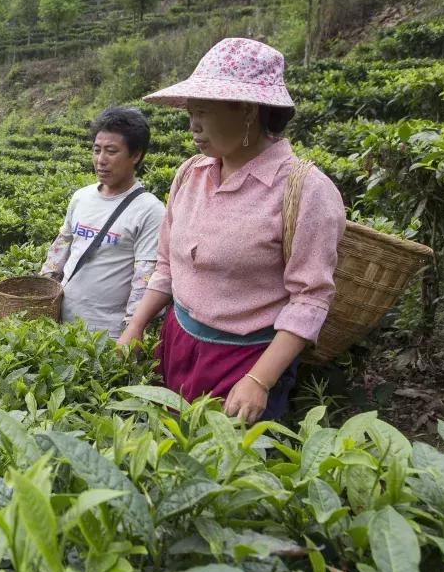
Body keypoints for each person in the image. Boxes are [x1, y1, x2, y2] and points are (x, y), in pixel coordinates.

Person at [119, 38, 346, 424]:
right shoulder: (190, 173)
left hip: (246, 362)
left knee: (228, 472)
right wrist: (137, 325)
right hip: (178, 343)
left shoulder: (306, 190)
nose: (193, 125)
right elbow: (167, 266)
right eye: (191, 112)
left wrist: (259, 379)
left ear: (247, 111)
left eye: (203, 111)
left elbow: (309, 299)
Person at [40, 106, 165, 338]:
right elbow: (59, 252)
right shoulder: (81, 197)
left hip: (107, 335)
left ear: (136, 155)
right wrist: (40, 295)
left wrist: (131, 332)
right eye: (97, 150)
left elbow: (144, 279)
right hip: (60, 325)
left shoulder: (150, 211)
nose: (101, 160)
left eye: (111, 151)